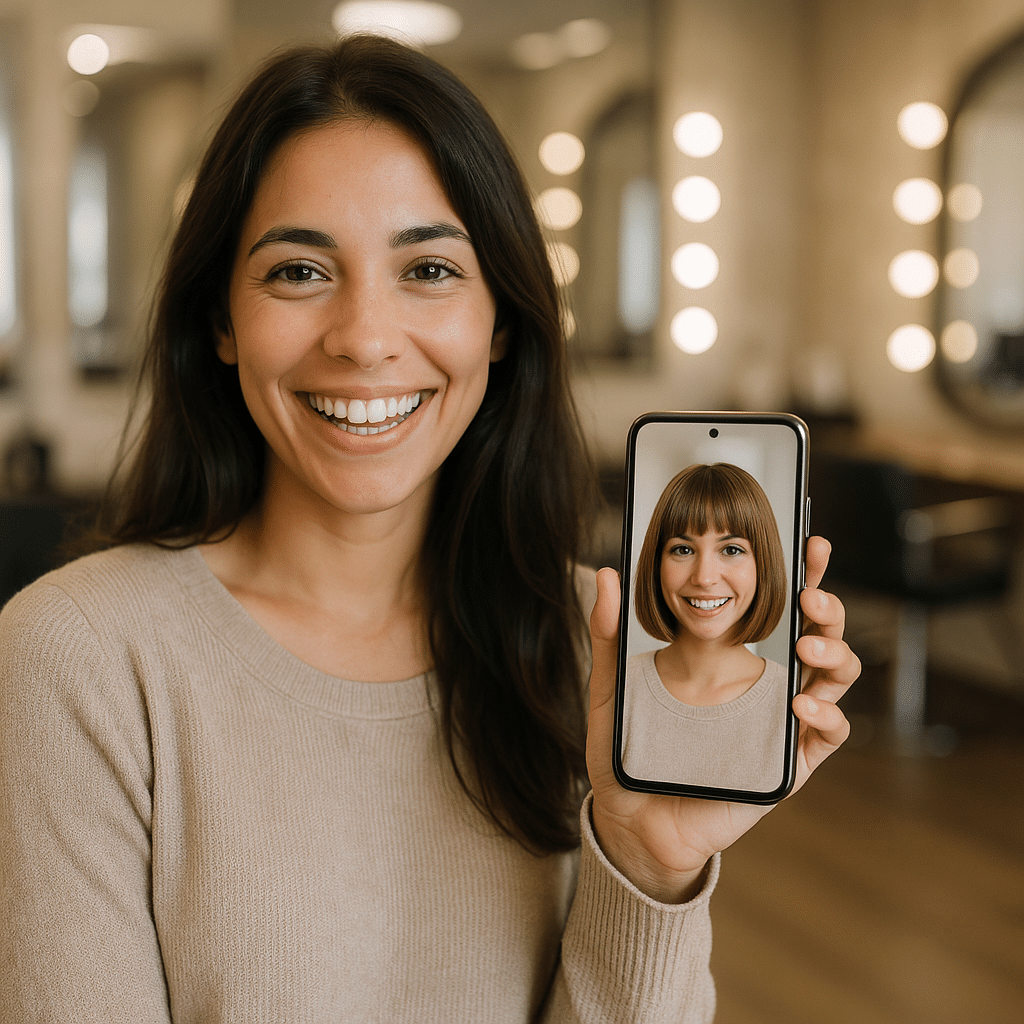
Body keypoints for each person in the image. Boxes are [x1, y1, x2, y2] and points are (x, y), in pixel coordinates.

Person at [0, 35, 860, 1023]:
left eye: (430, 270)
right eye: (296, 271)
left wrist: (651, 861)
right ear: (220, 320)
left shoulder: (605, 647)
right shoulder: (82, 655)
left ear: (500, 322)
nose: (365, 337)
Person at [622, 463, 794, 792]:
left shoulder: (792, 703)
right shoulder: (618, 688)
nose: (704, 577)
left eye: (731, 550)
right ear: (655, 563)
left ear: (764, 564)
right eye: (683, 550)